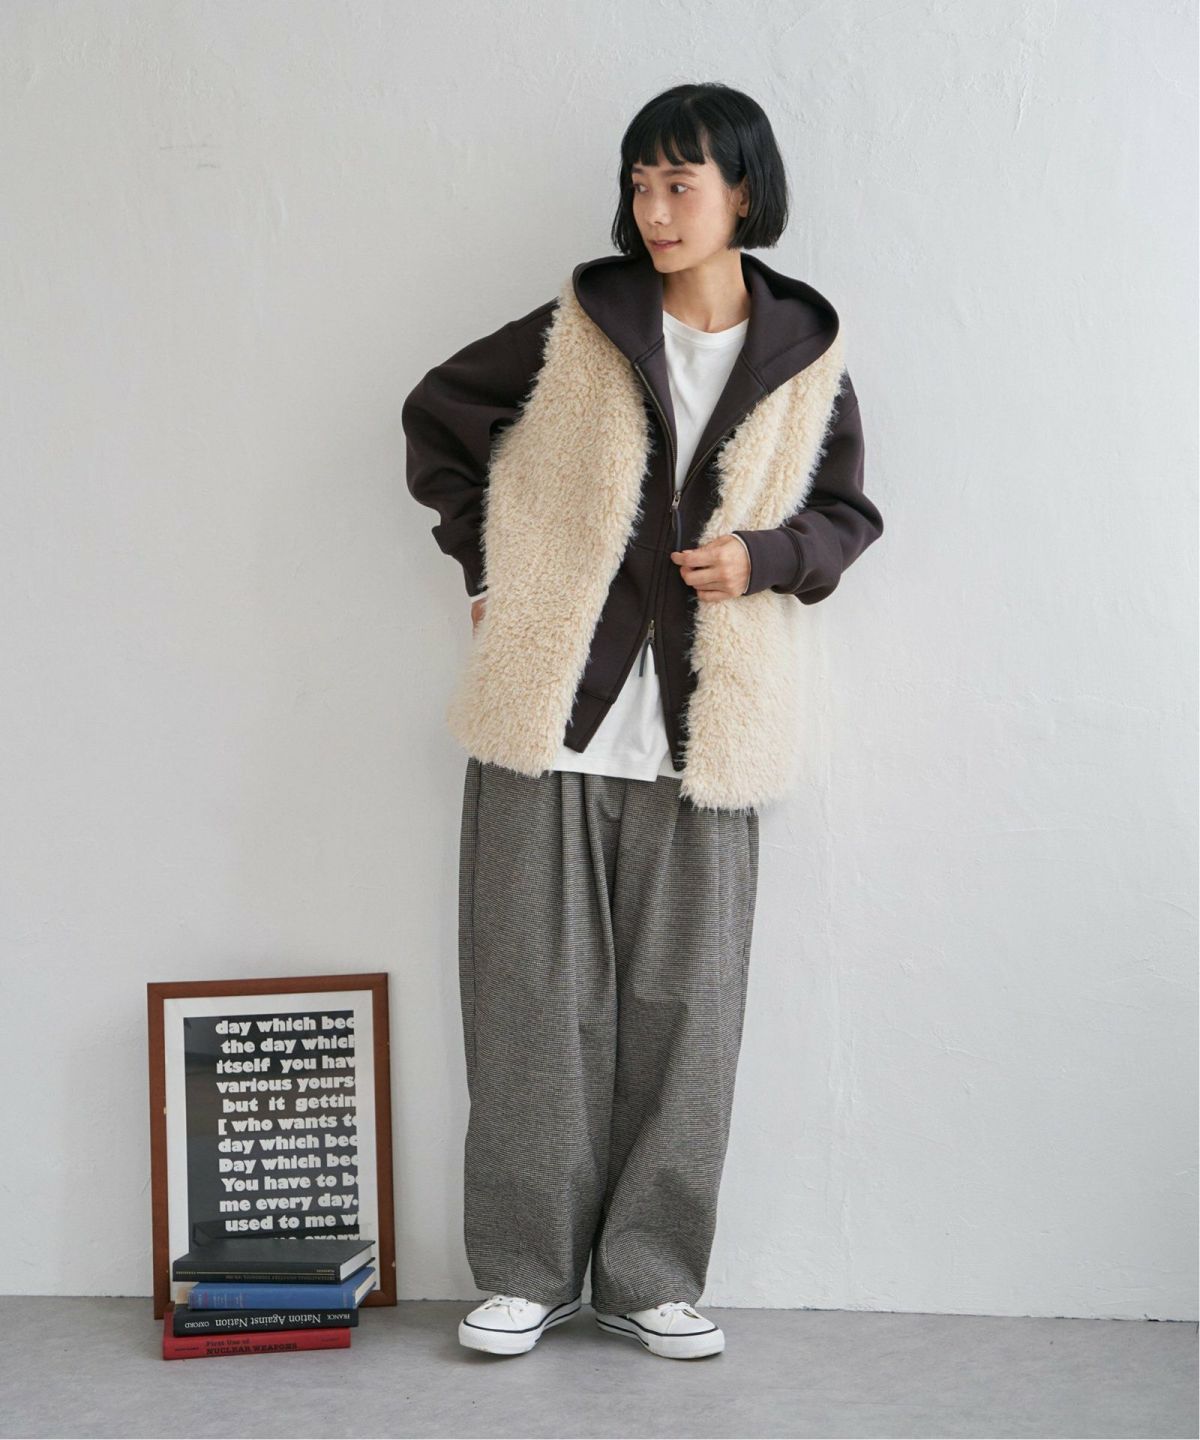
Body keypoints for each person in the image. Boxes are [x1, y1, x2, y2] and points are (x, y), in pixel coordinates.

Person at [402, 81, 883, 1362]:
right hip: (546, 718)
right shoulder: (583, 323)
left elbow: (846, 518)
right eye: (639, 183)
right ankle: (525, 1272)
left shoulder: (806, 353)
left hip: (709, 734)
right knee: (529, 1005)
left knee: (689, 1015)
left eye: (680, 183)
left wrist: (765, 556)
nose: (654, 209)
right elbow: (437, 419)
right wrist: (485, 569)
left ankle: (650, 1276)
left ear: (743, 193)